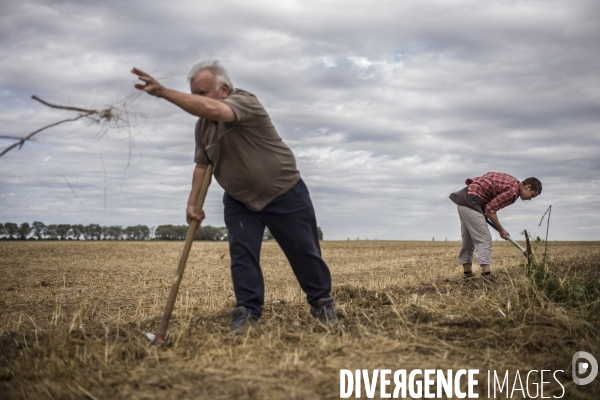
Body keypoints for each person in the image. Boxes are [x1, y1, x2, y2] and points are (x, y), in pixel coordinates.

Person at [132, 61, 337, 334]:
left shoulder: (244, 101)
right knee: (242, 255)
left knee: (304, 252)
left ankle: (322, 304)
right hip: (240, 200)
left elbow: (215, 109)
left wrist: (163, 92)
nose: (196, 99)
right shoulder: (203, 127)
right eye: (194, 93)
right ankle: (247, 314)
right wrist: (193, 203)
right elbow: (202, 165)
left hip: (285, 191)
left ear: (224, 88)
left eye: (201, 93)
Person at [449, 172, 542, 282]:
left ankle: (467, 274)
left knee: (468, 239)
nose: (530, 199)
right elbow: (490, 210)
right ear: (528, 187)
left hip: (463, 198)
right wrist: (501, 230)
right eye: (532, 195)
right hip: (472, 201)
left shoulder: (512, 181)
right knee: (484, 238)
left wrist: (481, 209)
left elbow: (488, 179)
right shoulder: (513, 192)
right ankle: (486, 275)